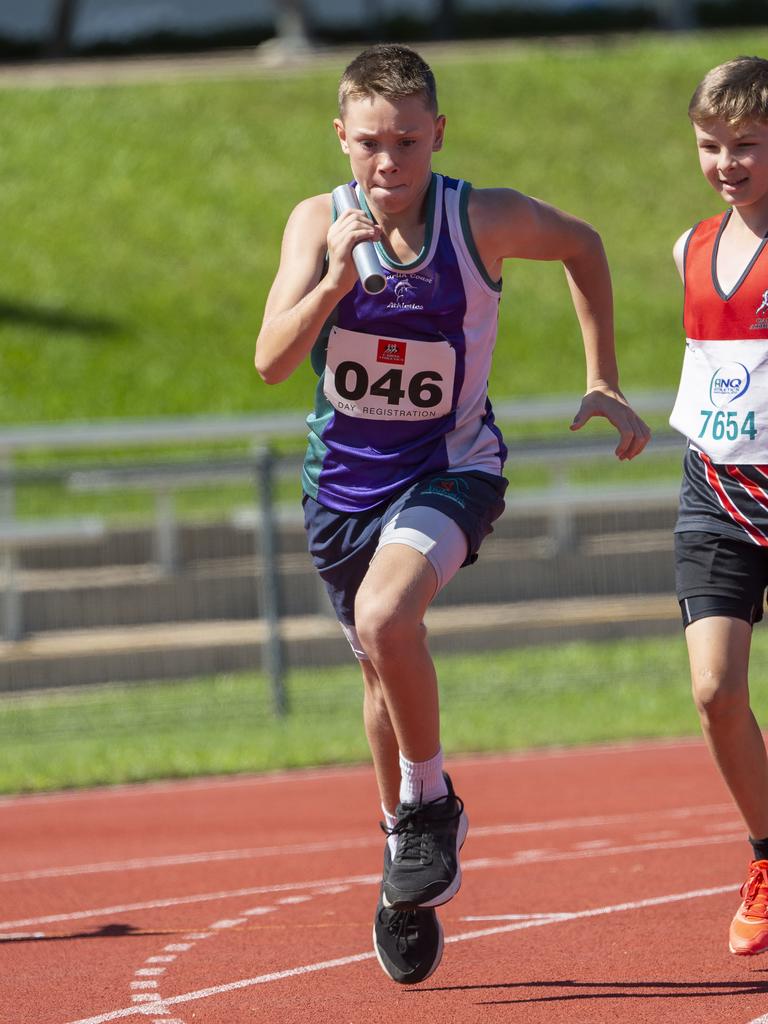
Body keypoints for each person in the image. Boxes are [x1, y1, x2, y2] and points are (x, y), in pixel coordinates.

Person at [255, 43, 650, 984]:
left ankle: (429, 805)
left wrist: (601, 378)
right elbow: (272, 359)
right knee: (378, 674)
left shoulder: (480, 218)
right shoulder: (318, 222)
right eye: (368, 145)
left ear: (438, 133)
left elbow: (585, 244)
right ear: (341, 139)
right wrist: (332, 284)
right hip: (340, 492)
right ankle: (403, 860)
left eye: (406, 142)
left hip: (452, 469)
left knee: (388, 618)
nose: (388, 164)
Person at [669, 55, 768, 957]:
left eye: (745, 144)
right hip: (715, 492)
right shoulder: (692, 247)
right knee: (713, 689)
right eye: (711, 144)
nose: (726, 161)